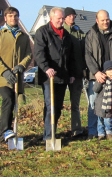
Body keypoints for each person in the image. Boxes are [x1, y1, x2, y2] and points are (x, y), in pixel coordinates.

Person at [0, 7, 32, 143]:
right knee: (7, 98)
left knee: (13, 102)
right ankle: (3, 132)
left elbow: (29, 54)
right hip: (1, 75)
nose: (13, 18)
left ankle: (7, 133)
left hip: (16, 76)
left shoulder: (23, 36)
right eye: (10, 16)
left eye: (15, 16)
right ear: (5, 18)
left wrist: (22, 65)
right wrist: (4, 71)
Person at [34, 7, 75, 141]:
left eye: (63, 18)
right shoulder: (43, 32)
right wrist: (46, 68)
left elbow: (70, 57)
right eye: (59, 18)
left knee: (57, 107)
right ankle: (48, 136)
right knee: (50, 105)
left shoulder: (67, 35)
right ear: (51, 18)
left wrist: (71, 73)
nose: (62, 21)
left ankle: (52, 131)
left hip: (62, 77)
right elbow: (39, 53)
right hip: (49, 77)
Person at [85, 10, 112, 139]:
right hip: (96, 77)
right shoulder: (90, 35)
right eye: (102, 20)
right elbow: (88, 55)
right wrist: (96, 72)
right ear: (97, 21)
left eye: (107, 19)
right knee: (94, 105)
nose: (105, 22)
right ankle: (93, 132)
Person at [62, 7, 86, 137]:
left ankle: (76, 129)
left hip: (77, 74)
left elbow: (84, 52)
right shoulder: (61, 31)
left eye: (74, 15)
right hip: (62, 73)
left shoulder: (79, 32)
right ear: (65, 17)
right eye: (70, 15)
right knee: (56, 103)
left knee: (75, 103)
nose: (72, 17)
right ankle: (52, 131)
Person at [93, 60, 112, 142]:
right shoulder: (102, 79)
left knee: (108, 120)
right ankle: (101, 134)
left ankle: (109, 133)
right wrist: (99, 82)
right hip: (100, 104)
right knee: (100, 121)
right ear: (105, 71)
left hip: (110, 105)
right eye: (110, 70)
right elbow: (95, 89)